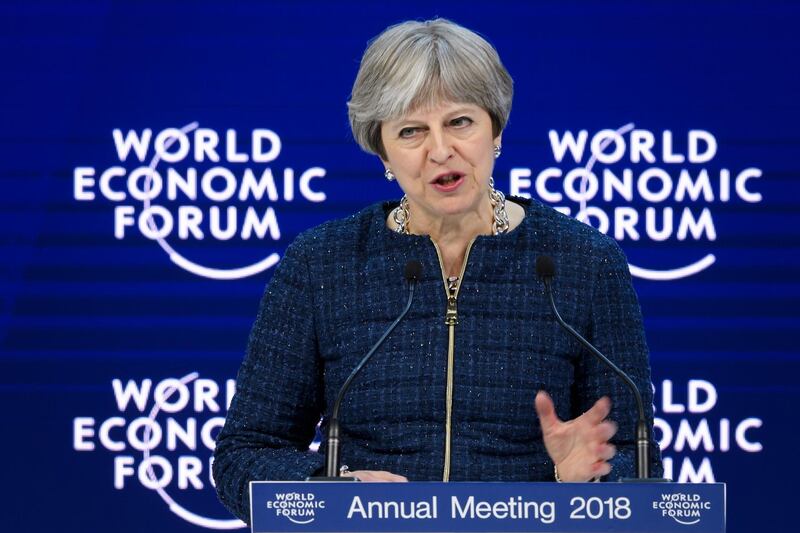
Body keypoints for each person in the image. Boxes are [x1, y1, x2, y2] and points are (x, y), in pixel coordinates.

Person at [213, 18, 662, 522]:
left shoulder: (584, 262)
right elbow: (244, 455)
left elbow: (637, 461)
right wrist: (330, 490)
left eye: (459, 122)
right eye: (411, 131)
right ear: (381, 150)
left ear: (496, 129)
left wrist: (588, 477)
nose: (440, 150)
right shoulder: (322, 263)